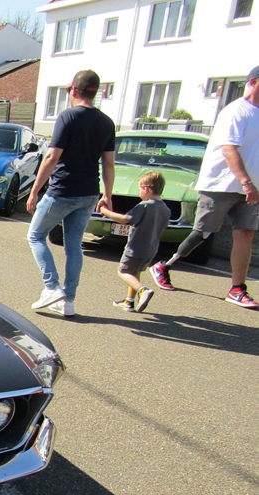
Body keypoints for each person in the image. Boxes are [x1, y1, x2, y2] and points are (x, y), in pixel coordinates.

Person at [150, 65, 259, 309]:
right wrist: (245, 181)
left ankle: (237, 289)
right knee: (203, 233)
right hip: (220, 184)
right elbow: (229, 149)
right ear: (254, 82)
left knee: (245, 234)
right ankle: (163, 266)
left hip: (251, 189)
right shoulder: (236, 111)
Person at [26, 69, 116, 318]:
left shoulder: (68, 117)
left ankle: (51, 287)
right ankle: (68, 301)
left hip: (63, 190)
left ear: (74, 90)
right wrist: (107, 195)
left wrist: (34, 190)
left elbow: (51, 157)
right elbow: (109, 164)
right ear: (96, 92)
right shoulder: (106, 122)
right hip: (89, 193)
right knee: (74, 246)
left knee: (35, 236)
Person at [99, 171, 170, 312]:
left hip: (135, 247)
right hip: (151, 249)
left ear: (146, 189)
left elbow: (124, 219)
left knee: (123, 272)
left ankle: (143, 290)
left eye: (139, 189)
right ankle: (129, 301)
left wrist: (105, 211)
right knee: (135, 272)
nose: (139, 193)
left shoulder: (144, 206)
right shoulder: (165, 209)